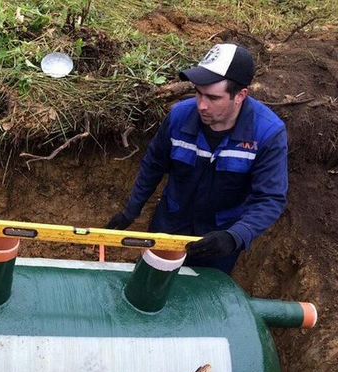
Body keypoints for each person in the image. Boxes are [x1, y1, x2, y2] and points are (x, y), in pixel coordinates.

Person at [106, 43, 288, 274]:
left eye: (213, 97)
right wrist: (131, 210)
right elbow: (153, 165)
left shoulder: (266, 133)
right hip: (169, 228)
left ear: (240, 95)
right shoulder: (180, 117)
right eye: (198, 93)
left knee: (201, 301)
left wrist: (235, 236)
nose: (201, 105)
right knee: (150, 286)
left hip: (218, 240)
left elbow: (270, 198)